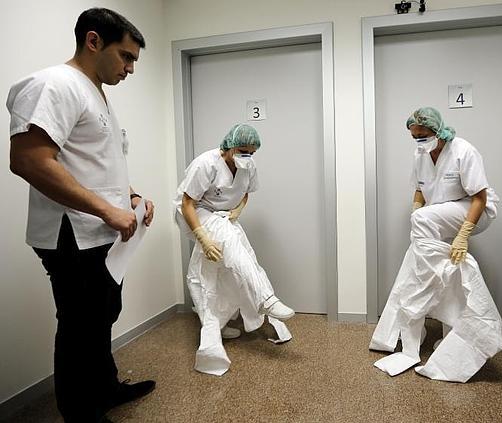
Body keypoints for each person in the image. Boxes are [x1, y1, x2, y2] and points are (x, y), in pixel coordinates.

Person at [7, 8, 156, 422]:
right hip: (71, 234)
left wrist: (130, 197)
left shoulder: (95, 92)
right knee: (79, 326)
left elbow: (94, 162)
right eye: (126, 57)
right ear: (94, 42)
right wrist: (108, 210)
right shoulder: (54, 84)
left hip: (101, 232)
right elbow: (29, 160)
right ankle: (82, 412)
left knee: (103, 313)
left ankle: (105, 389)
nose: (130, 68)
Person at [369, 107, 502, 382]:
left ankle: (418, 314)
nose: (419, 141)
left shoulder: (463, 151)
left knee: (422, 224)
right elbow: (419, 188)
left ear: (438, 131)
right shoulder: (420, 154)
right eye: (414, 137)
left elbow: (479, 197)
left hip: (474, 211)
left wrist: (463, 234)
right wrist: (415, 210)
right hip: (443, 213)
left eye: (423, 136)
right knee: (438, 264)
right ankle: (447, 331)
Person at [174, 123, 294, 376]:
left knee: (226, 267)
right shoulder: (205, 164)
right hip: (198, 214)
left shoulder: (247, 165)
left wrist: (238, 210)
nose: (246, 156)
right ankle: (265, 298)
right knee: (229, 240)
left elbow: (246, 192)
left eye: (251, 152)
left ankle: (217, 323)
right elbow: (187, 203)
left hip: (223, 216)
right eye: (241, 151)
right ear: (227, 146)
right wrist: (202, 236)